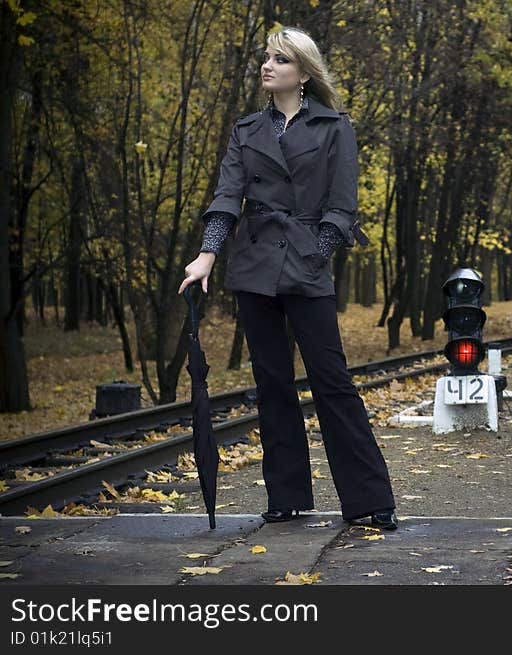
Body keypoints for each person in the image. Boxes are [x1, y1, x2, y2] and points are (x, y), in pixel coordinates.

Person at [178, 26, 397, 530]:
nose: (267, 65)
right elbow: (227, 197)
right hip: (254, 267)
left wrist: (315, 256)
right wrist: (207, 255)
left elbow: (342, 208)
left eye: (279, 59)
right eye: (266, 58)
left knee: (332, 381)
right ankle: (287, 495)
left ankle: (368, 500)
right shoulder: (246, 129)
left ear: (302, 72)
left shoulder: (334, 126)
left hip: (306, 264)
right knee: (271, 383)